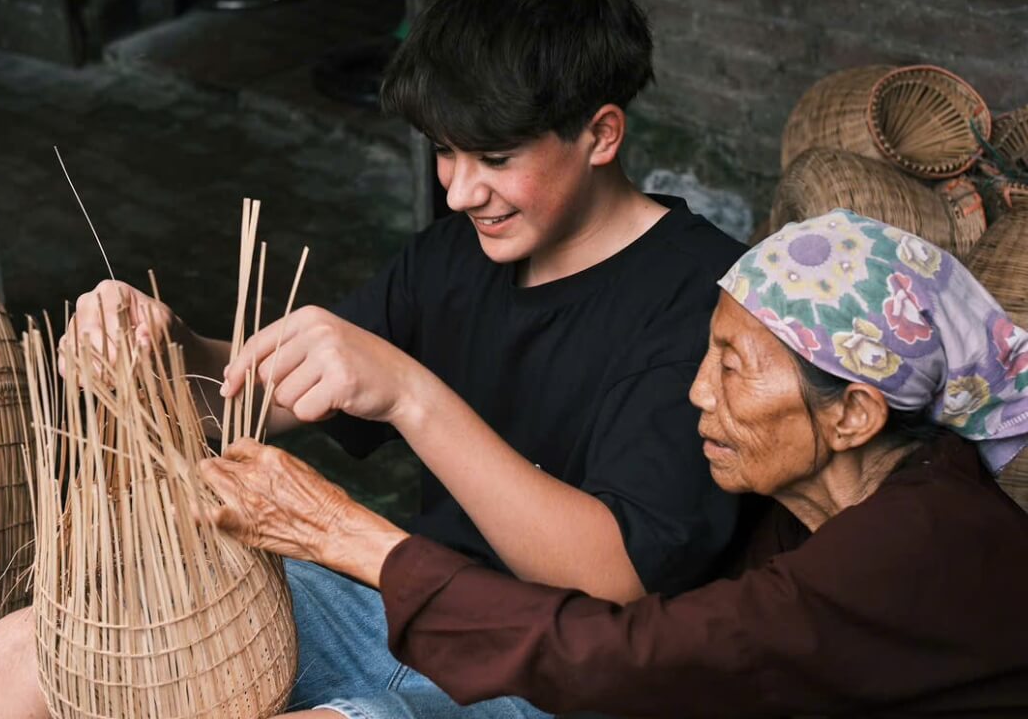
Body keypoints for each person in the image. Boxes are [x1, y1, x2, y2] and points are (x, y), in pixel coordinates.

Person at [0, 0, 748, 719]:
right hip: (399, 606)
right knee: (32, 648)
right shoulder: (455, 255)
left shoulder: (699, 301)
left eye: (496, 157)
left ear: (601, 134)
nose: (462, 190)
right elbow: (261, 400)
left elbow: (613, 578)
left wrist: (410, 395)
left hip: (558, 675)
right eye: (444, 151)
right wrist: (166, 349)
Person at [200, 209, 1028, 718]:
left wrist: (349, 534)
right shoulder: (806, 501)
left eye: (734, 367)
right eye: (707, 355)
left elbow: (635, 656)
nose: (699, 393)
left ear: (853, 413)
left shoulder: (925, 540)